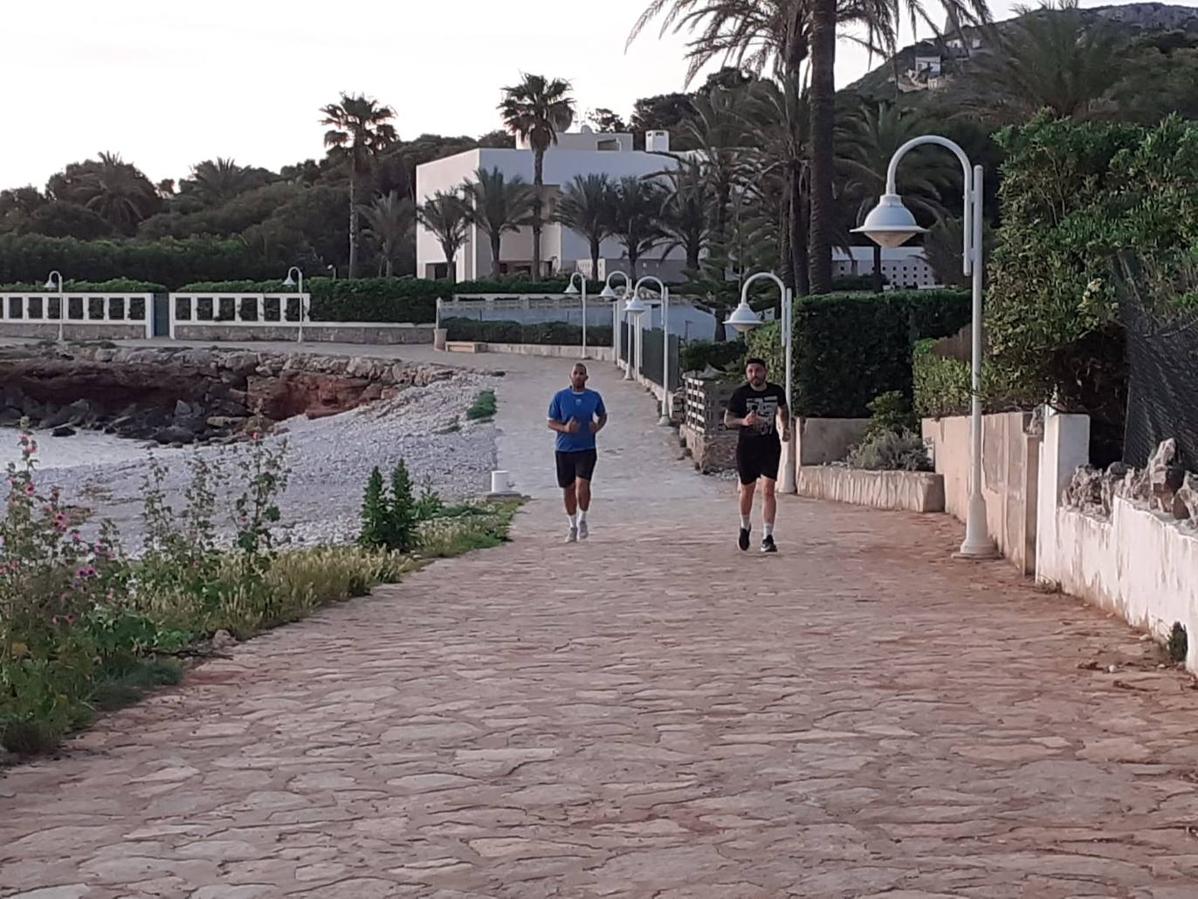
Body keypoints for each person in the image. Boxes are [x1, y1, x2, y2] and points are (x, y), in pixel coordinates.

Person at [724, 357, 790, 553]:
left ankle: (767, 536)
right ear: (747, 374)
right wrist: (744, 422)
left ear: (765, 372)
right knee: (748, 490)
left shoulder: (776, 391)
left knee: (768, 490)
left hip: (770, 446)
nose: (755, 375)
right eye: (751, 371)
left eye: (758, 371)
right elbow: (728, 420)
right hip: (747, 447)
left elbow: (783, 409)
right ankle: (745, 526)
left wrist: (786, 427)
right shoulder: (740, 394)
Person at [547, 362, 607, 543]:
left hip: (586, 448)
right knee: (568, 489)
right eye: (576, 373)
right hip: (564, 449)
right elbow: (550, 421)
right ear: (570, 376)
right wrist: (565, 428)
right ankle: (572, 525)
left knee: (583, 485)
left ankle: (583, 519)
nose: (579, 376)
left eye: (582, 373)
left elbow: (603, 415)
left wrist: (597, 426)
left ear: (586, 378)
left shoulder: (594, 397)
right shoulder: (560, 397)